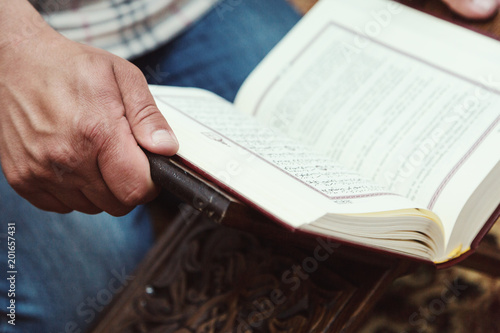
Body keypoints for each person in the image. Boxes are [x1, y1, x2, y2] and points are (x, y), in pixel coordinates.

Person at [0, 0, 497, 331]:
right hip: (27, 30)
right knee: (85, 297)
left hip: (188, 8)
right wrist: (13, 50)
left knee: (357, 168)